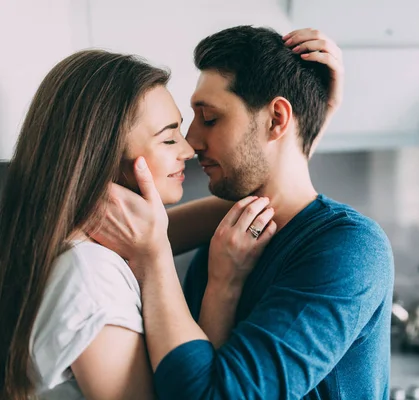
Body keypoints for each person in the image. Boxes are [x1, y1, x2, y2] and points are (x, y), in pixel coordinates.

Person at [93, 26, 395, 399]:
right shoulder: (227, 242)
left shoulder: (350, 249)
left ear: (277, 119)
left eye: (210, 118)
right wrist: (305, 123)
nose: (192, 142)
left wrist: (154, 261)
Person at [0, 49, 277, 400]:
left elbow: (266, 198)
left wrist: (298, 132)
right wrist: (223, 285)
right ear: (105, 155)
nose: (188, 150)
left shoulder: (76, 244)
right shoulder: (92, 275)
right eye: (167, 137)